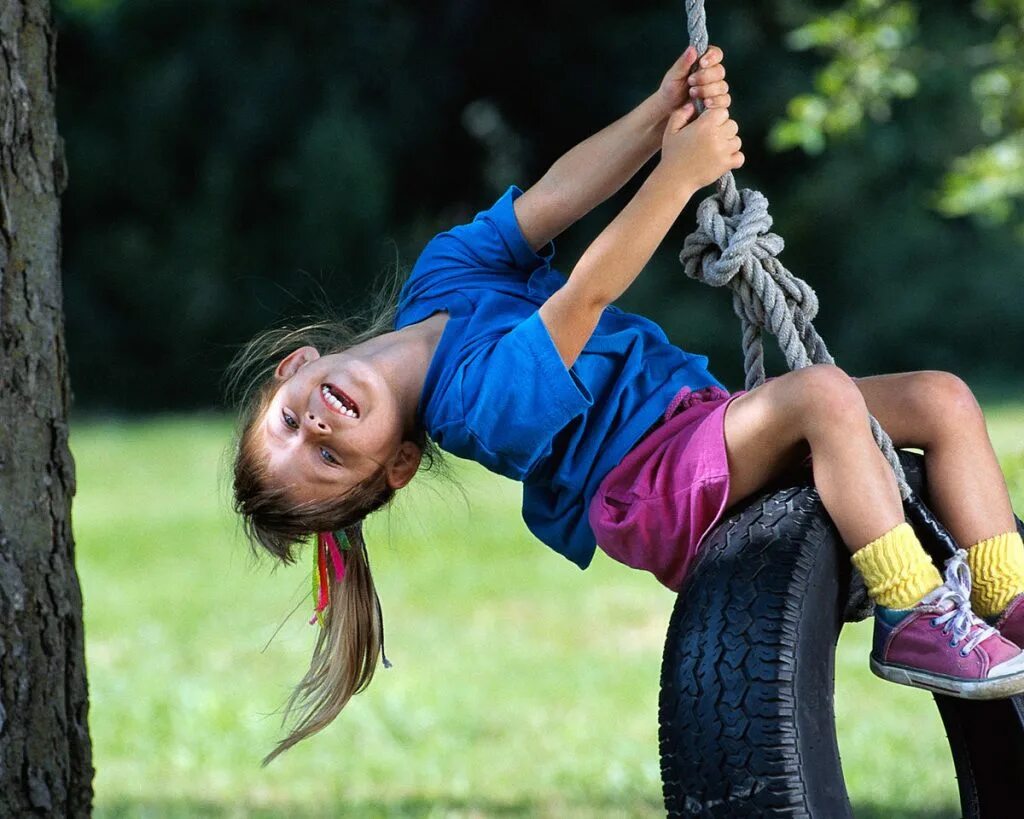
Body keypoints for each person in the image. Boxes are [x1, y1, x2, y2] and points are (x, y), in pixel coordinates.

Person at [228, 45, 1024, 766]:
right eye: (330, 458)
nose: (320, 426)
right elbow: (587, 294)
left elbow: (552, 198)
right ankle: (916, 612)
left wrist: (655, 116)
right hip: (652, 484)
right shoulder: (475, 407)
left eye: (293, 424)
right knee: (821, 395)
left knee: (941, 399)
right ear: (399, 465)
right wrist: (678, 175)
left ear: (293, 367)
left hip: (696, 423)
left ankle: (1008, 607)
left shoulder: (440, 280)